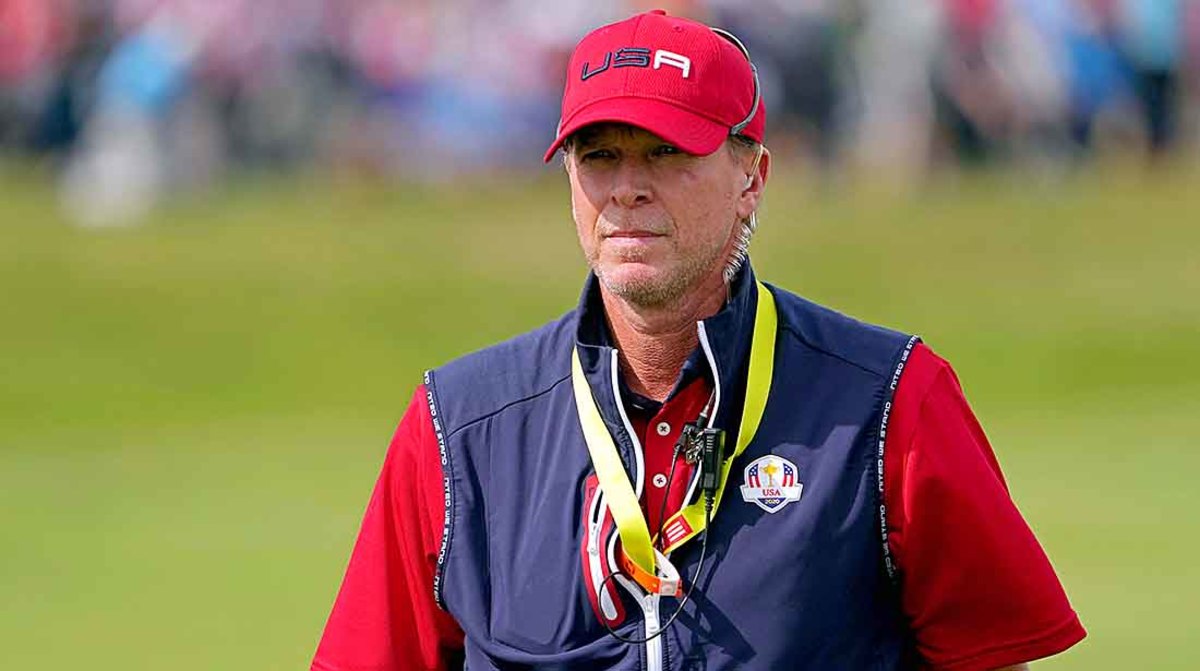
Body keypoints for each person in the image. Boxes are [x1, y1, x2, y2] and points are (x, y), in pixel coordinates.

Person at [311, 10, 1085, 671]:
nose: (626, 188)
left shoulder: (889, 399)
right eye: (599, 155)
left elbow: (993, 652)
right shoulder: (459, 427)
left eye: (667, 152)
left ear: (753, 178)